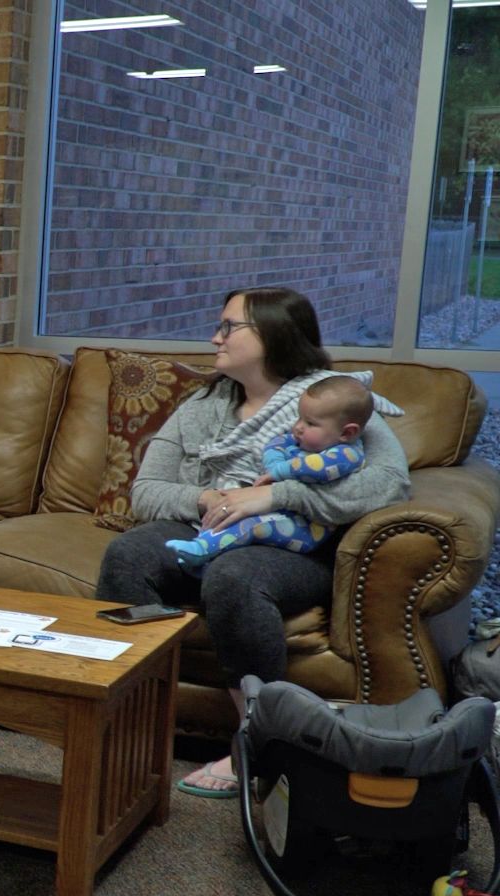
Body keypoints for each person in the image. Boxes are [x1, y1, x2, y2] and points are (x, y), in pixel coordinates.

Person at [95, 287, 410, 798]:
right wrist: (217, 498)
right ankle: (128, 721)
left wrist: (270, 497)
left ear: (273, 335)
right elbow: (147, 492)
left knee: (233, 575)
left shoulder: (330, 400)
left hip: (295, 546)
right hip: (210, 527)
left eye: (228, 327)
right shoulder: (203, 405)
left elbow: (389, 484)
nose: (214, 337)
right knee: (128, 554)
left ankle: (256, 740)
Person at [164, 374, 376, 573]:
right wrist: (273, 461)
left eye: (310, 423)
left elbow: (314, 469)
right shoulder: (302, 442)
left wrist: (279, 471)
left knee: (249, 526)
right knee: (231, 519)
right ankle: (201, 560)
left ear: (347, 432)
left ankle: (201, 550)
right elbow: (275, 444)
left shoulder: (346, 454)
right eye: (299, 418)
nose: (298, 428)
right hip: (280, 513)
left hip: (306, 529)